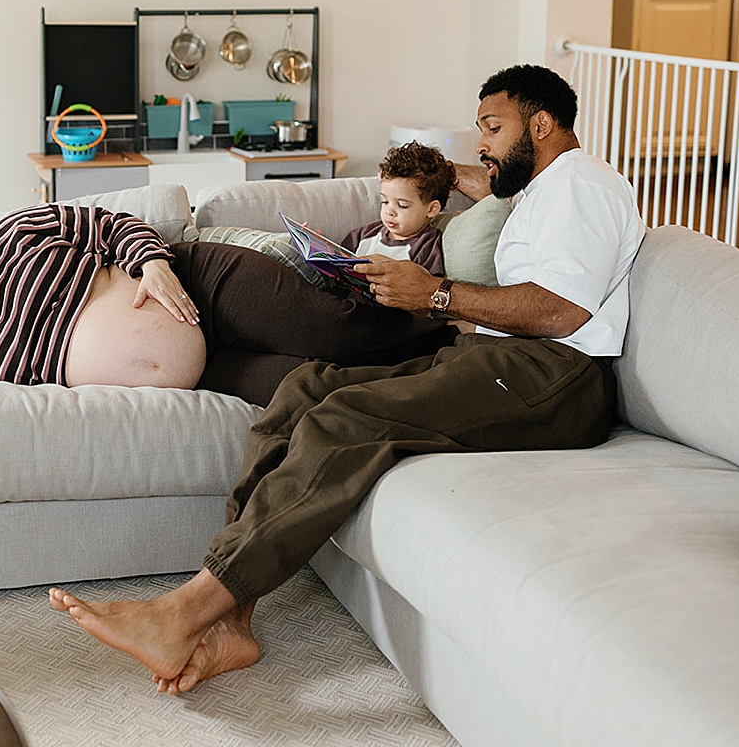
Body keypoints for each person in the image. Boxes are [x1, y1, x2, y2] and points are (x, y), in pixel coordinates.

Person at [49, 63, 646, 694]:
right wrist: (455, 173)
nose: (482, 144)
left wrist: (438, 295)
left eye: (493, 128)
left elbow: (562, 310)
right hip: (497, 358)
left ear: (543, 123)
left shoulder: (583, 184)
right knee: (307, 387)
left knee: (346, 420)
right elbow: (484, 179)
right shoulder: (539, 186)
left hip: (558, 375)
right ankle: (234, 620)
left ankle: (185, 612)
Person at [0, 201, 454, 405]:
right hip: (202, 371)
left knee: (342, 331)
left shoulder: (12, 234)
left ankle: (464, 318)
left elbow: (112, 223)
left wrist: (153, 262)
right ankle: (473, 374)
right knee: (319, 388)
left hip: (201, 286)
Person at [339, 140, 452, 276]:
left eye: (402, 205)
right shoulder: (365, 234)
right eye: (385, 201)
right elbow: (339, 260)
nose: (389, 212)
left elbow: (427, 287)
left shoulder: (425, 246)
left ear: (432, 209)